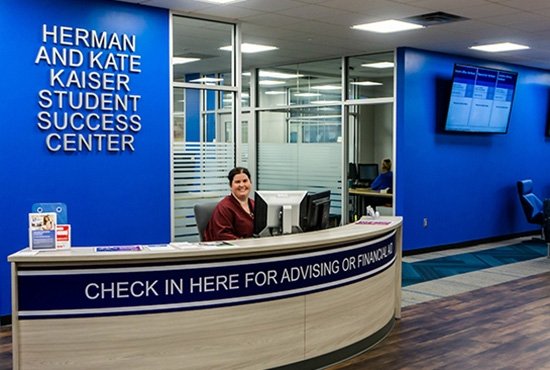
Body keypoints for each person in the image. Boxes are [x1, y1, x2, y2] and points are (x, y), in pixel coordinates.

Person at [203, 167, 255, 242]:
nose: (242, 185)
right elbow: (222, 235)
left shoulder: (254, 205)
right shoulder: (224, 207)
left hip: (253, 247)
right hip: (232, 250)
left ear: (250, 182)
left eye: (245, 181)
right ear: (231, 185)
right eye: (237, 182)